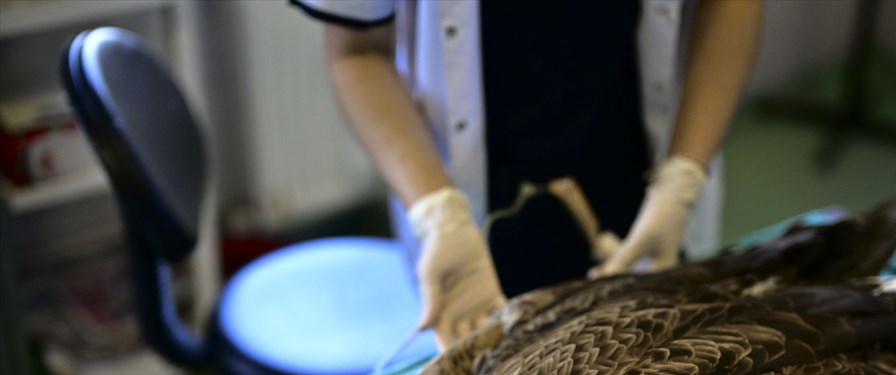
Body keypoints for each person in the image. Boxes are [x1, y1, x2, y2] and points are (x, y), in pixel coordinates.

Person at [292, 0, 762, 348]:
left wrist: (683, 175)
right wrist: (437, 212)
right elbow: (357, 52)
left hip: (637, 172)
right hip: (469, 203)